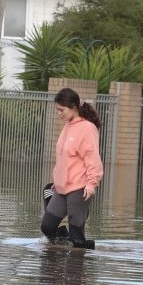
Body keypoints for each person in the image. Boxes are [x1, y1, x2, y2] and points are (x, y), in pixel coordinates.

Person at [41, 88, 103, 250]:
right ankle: (61, 249)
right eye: (57, 110)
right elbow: (63, 158)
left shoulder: (87, 128)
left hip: (79, 188)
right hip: (62, 188)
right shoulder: (68, 126)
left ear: (74, 107)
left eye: (61, 110)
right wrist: (57, 181)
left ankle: (79, 266)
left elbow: (93, 159)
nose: (59, 114)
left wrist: (91, 184)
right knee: (47, 227)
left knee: (77, 237)